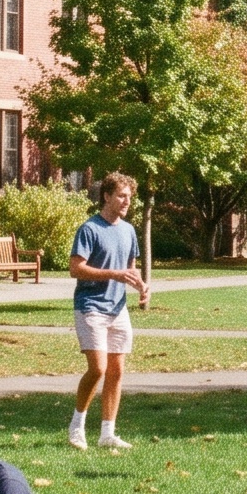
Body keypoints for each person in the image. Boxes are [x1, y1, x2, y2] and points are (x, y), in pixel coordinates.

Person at [68, 172, 148, 452]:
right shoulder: (90, 229)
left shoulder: (128, 230)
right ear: (106, 196)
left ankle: (107, 434)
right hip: (91, 306)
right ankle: (77, 427)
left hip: (118, 308)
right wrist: (114, 274)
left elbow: (130, 267)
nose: (127, 201)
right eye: (121, 196)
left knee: (116, 371)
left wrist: (140, 285)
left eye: (129, 197)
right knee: (98, 368)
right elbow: (76, 268)